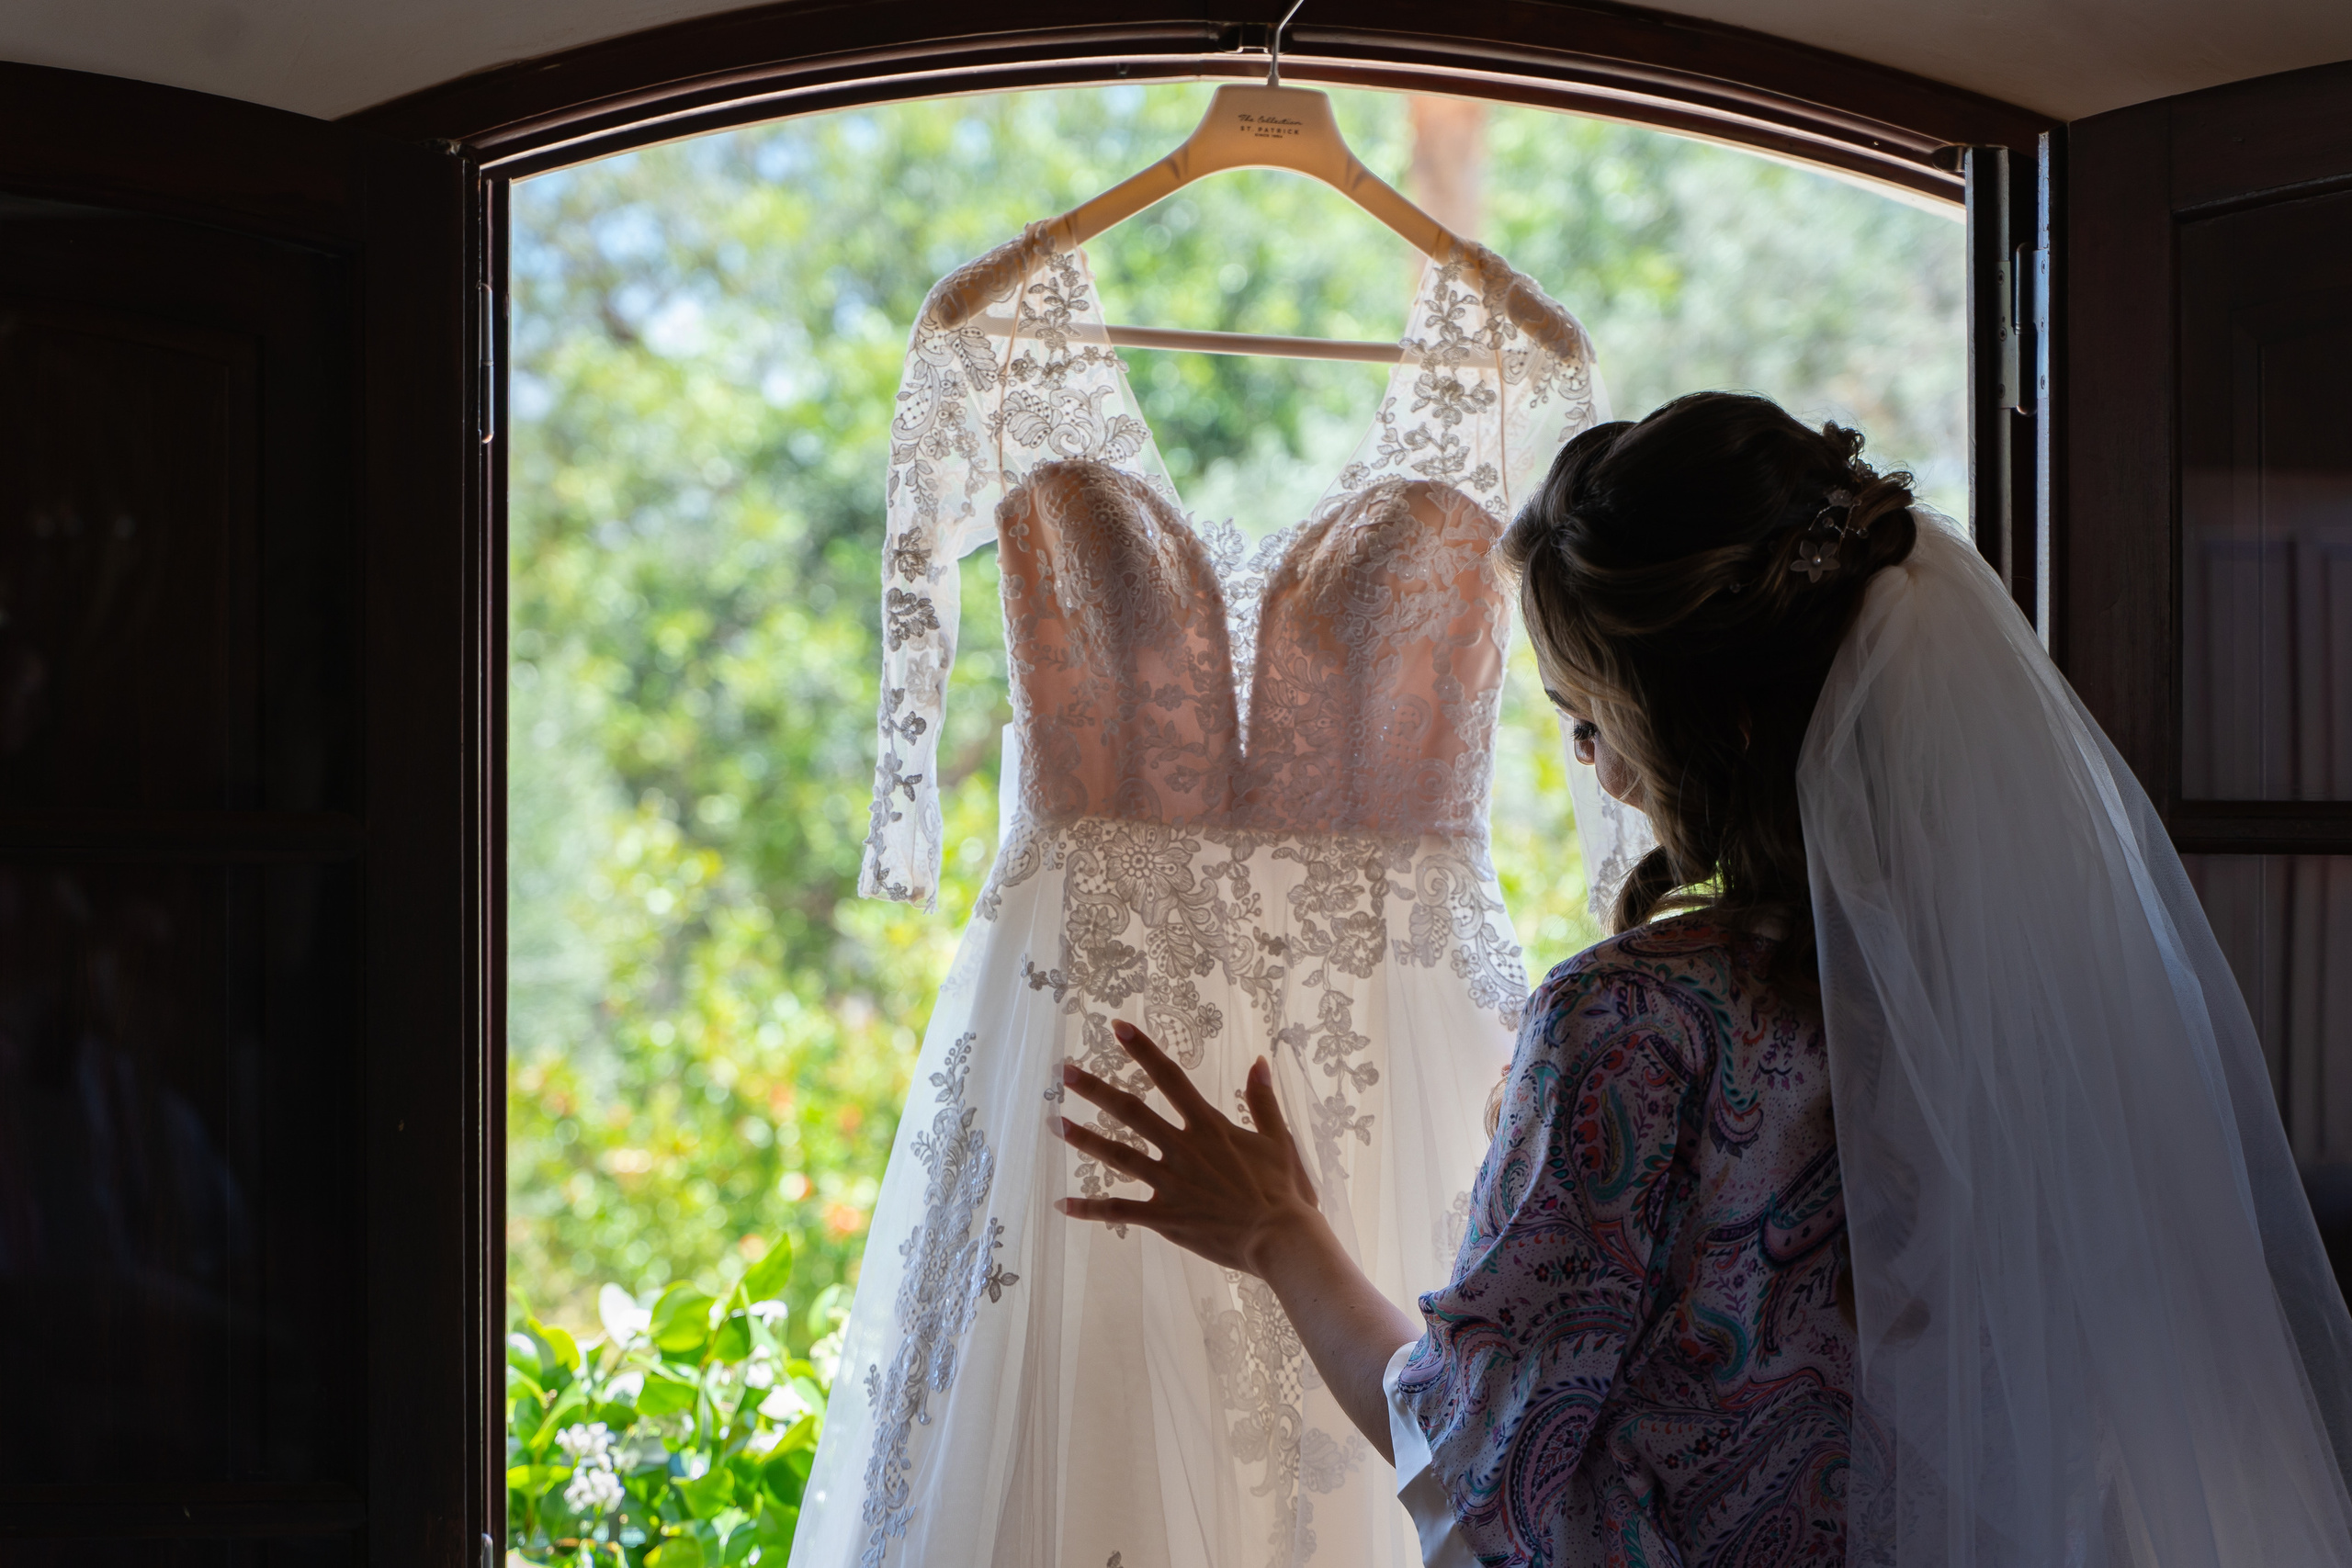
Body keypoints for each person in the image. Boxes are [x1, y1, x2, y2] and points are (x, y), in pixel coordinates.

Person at [1057, 391, 2352, 1566]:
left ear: (1714, 726)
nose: (1598, 775)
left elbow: (1502, 1470)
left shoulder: (1634, 1021)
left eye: (1588, 722)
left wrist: (1282, 1230)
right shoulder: (2041, 993)